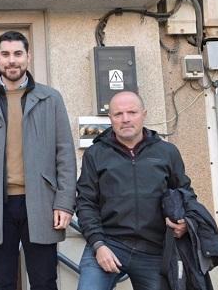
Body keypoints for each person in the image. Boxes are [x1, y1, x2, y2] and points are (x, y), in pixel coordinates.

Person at [0, 31, 76, 290]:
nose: (12, 60)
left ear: (28, 57)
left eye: (18, 54)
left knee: (44, 280)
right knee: (1, 281)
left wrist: (65, 203)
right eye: (6, 54)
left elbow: (65, 153)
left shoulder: (50, 98)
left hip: (41, 202)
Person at [76, 91, 194, 290]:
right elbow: (86, 202)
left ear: (144, 114)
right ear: (110, 119)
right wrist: (98, 245)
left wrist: (186, 224)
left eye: (132, 112)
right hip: (109, 243)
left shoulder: (167, 152)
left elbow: (185, 193)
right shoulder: (95, 154)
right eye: (118, 114)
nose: (126, 119)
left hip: (154, 249)